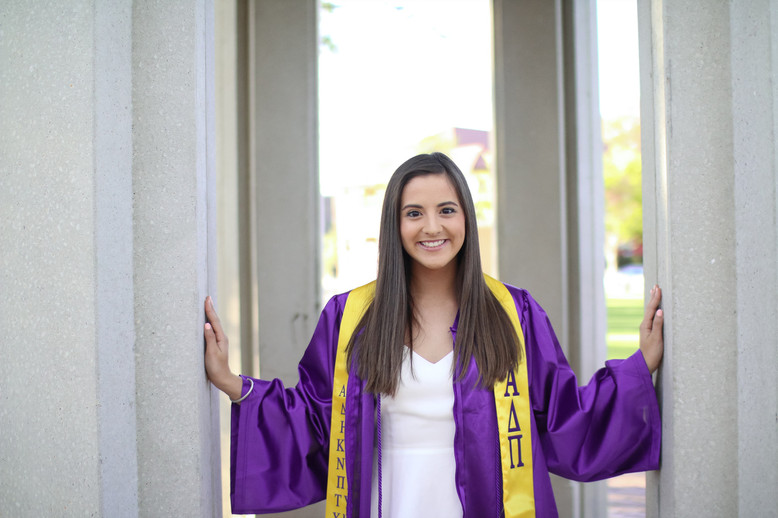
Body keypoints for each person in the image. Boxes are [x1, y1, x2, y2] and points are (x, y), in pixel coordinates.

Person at [204, 152, 664, 518]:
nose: (431, 227)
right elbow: (311, 420)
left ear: (466, 219)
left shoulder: (513, 312)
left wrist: (638, 368)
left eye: (446, 210)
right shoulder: (351, 317)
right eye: (413, 213)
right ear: (394, 224)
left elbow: (565, 415)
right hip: (390, 504)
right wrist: (233, 384)